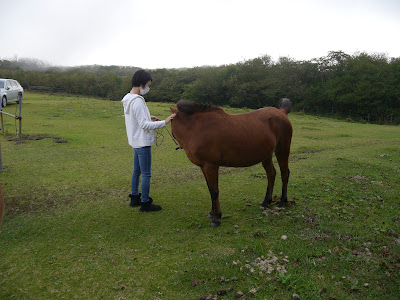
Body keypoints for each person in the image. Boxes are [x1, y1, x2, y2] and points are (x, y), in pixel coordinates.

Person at [121, 70, 175, 212]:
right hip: (142, 142)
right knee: (145, 174)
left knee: (136, 171)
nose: (148, 88)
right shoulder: (137, 101)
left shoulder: (128, 98)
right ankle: (145, 203)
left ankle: (134, 198)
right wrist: (165, 122)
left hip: (135, 140)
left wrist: (148, 116)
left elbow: (137, 119)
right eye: (148, 85)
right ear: (142, 84)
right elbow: (144, 125)